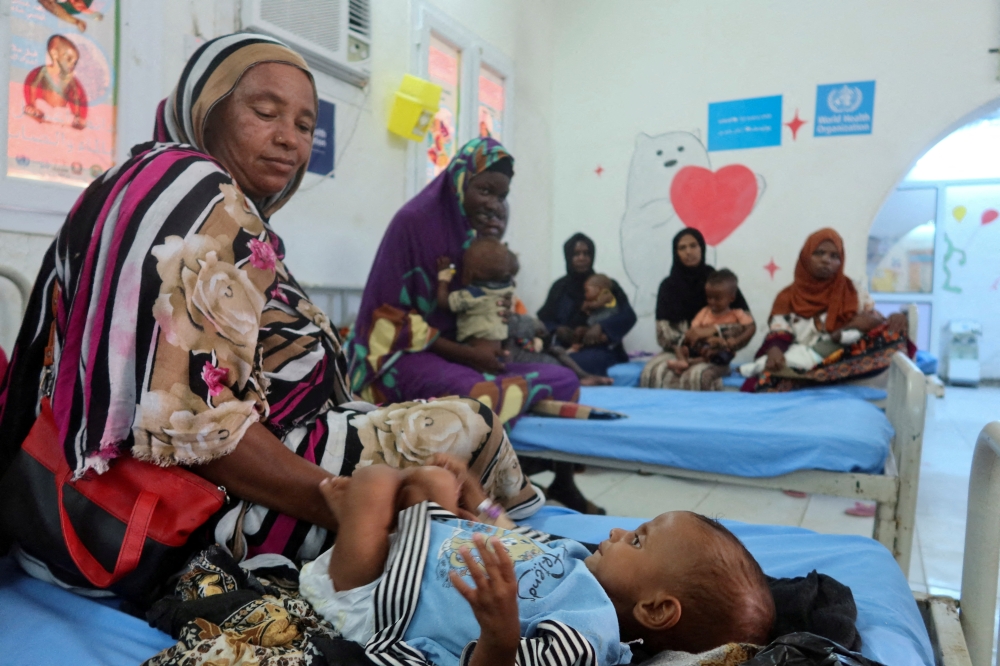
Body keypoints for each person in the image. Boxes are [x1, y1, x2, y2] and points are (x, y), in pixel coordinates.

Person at [0, 34, 542, 595]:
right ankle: (533, 562)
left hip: (236, 472)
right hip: (177, 512)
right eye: (264, 112)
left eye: (305, 126)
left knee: (449, 468)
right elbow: (194, 426)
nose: (289, 139)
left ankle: (524, 560)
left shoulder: (197, 200)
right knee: (466, 432)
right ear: (206, 107)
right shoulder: (195, 189)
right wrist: (340, 499)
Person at [300, 459, 776, 664]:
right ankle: (383, 525)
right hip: (428, 552)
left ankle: (360, 526)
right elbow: (514, 535)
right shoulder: (580, 563)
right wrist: (479, 499)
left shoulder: (584, 640)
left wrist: (501, 633)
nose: (616, 532)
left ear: (655, 609)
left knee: (376, 480)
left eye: (636, 541)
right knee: (435, 482)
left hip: (383, 597)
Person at [348, 138, 580, 425]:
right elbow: (387, 318)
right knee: (476, 396)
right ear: (460, 181)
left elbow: (486, 304)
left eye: (501, 196)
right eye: (485, 191)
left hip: (463, 356)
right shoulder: (413, 223)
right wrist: (469, 355)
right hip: (401, 356)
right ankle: (501, 407)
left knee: (566, 378)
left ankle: (502, 406)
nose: (494, 205)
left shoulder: (474, 234)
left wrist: (488, 343)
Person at [742, 228, 910, 393]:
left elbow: (872, 320)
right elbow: (779, 332)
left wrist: (892, 319)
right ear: (806, 256)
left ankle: (819, 378)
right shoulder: (787, 297)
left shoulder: (854, 291)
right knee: (765, 380)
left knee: (894, 335)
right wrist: (775, 350)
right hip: (803, 359)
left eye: (834, 256)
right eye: (819, 253)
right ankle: (813, 378)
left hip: (842, 359)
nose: (826, 260)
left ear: (841, 261)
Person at [641, 229, 751, 391]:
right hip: (677, 350)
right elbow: (663, 333)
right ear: (676, 252)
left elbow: (745, 324)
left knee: (698, 377)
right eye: (682, 248)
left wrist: (714, 331)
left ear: (702, 248)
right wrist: (684, 342)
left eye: (693, 246)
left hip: (713, 350)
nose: (688, 252)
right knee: (651, 373)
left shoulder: (718, 282)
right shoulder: (668, 286)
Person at [538, 233, 637, 377]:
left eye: (586, 253)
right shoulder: (559, 287)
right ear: (568, 257)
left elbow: (628, 315)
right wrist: (557, 329)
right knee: (542, 358)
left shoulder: (606, 284)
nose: (582, 258)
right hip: (566, 347)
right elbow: (544, 319)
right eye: (576, 254)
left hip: (599, 349)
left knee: (581, 361)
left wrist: (602, 326)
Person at [666, 270, 756, 388]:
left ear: (731, 298)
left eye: (717, 299)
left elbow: (750, 328)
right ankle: (683, 361)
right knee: (679, 346)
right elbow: (694, 331)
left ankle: (690, 362)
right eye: (709, 298)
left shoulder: (737, 314)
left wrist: (737, 340)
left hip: (720, 350)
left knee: (719, 354)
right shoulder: (704, 312)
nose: (712, 302)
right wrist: (700, 338)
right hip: (702, 346)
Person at [436, 236, 516, 352]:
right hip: (498, 345)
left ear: (468, 274)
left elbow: (443, 301)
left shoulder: (474, 295)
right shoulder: (508, 290)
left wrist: (444, 277)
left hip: (475, 349)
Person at [23, 34, 88, 129]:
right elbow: (33, 86)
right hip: (43, 107)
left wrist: (78, 115)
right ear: (54, 54)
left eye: (74, 62)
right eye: (69, 59)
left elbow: (76, 95)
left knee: (73, 120)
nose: (72, 65)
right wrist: (32, 105)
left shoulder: (69, 77)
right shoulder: (44, 71)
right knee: (34, 111)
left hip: (61, 111)